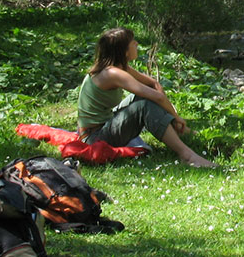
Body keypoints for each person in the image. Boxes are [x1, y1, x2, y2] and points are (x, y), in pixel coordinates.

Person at [77, 27, 216, 168]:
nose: (137, 43)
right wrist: (176, 117)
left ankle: (184, 134)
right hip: (93, 138)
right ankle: (187, 155)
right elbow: (157, 97)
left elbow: (152, 84)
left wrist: (168, 110)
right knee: (144, 105)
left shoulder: (117, 67)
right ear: (124, 51)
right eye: (133, 42)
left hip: (102, 126)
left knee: (144, 97)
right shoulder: (113, 73)